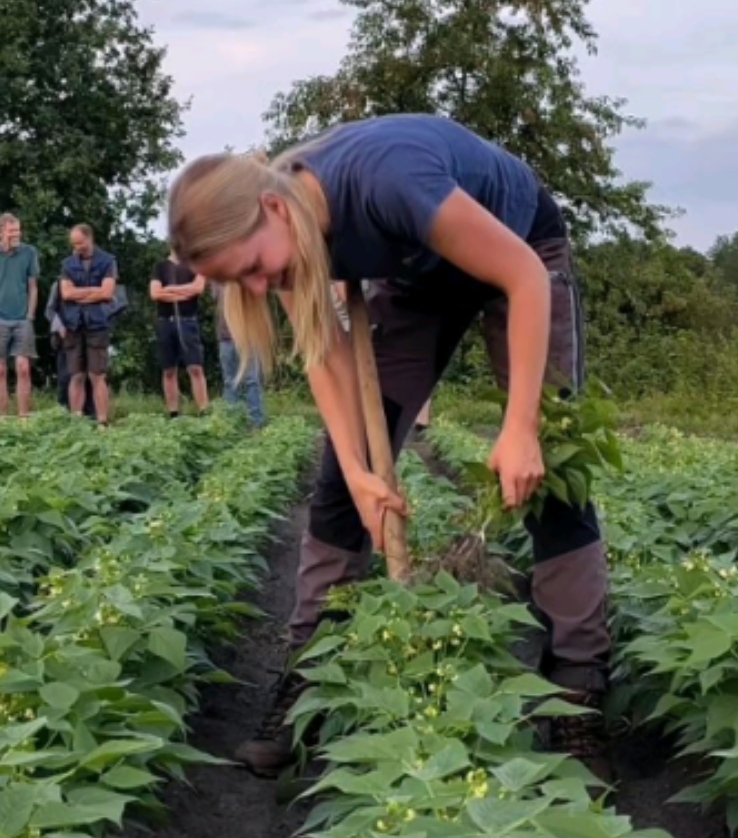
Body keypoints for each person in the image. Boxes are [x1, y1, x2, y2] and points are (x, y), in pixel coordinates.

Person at [168, 114, 615, 781]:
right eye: (241, 283)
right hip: (420, 278)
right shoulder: (286, 232)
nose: (259, 287)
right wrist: (358, 473)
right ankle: (308, 677)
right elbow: (325, 354)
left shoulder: (389, 182)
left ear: (272, 210)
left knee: (551, 470)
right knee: (337, 489)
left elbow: (522, 275)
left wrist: (521, 427)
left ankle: (578, 685)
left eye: (255, 269)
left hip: (521, 247)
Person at [47, 223, 118, 425]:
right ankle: (76, 421)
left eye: (79, 243)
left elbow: (107, 293)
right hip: (73, 324)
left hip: (97, 324)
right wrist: (94, 292)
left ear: (89, 238)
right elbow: (66, 293)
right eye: (74, 244)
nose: (77, 247)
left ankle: (102, 421)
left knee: (97, 375)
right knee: (75, 375)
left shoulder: (108, 261)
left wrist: (79, 294)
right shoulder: (67, 264)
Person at [0, 213, 39, 417]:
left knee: (23, 367)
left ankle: (23, 416)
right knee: (0, 369)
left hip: (22, 318)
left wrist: (30, 315)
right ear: (1, 232)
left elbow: (33, 286)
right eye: (12, 231)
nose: (16, 234)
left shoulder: (29, 252)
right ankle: (3, 417)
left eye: (18, 230)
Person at [149, 250, 210, 417]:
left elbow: (198, 288)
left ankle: (204, 411)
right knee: (168, 370)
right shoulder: (160, 267)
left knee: (195, 367)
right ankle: (174, 413)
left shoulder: (195, 265)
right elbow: (155, 293)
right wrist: (185, 292)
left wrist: (170, 290)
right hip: (165, 322)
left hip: (188, 321)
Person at [211, 272, 266, 428]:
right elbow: (216, 297)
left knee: (251, 380)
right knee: (230, 381)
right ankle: (231, 422)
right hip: (225, 335)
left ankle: (256, 421)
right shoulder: (217, 276)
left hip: (248, 335)